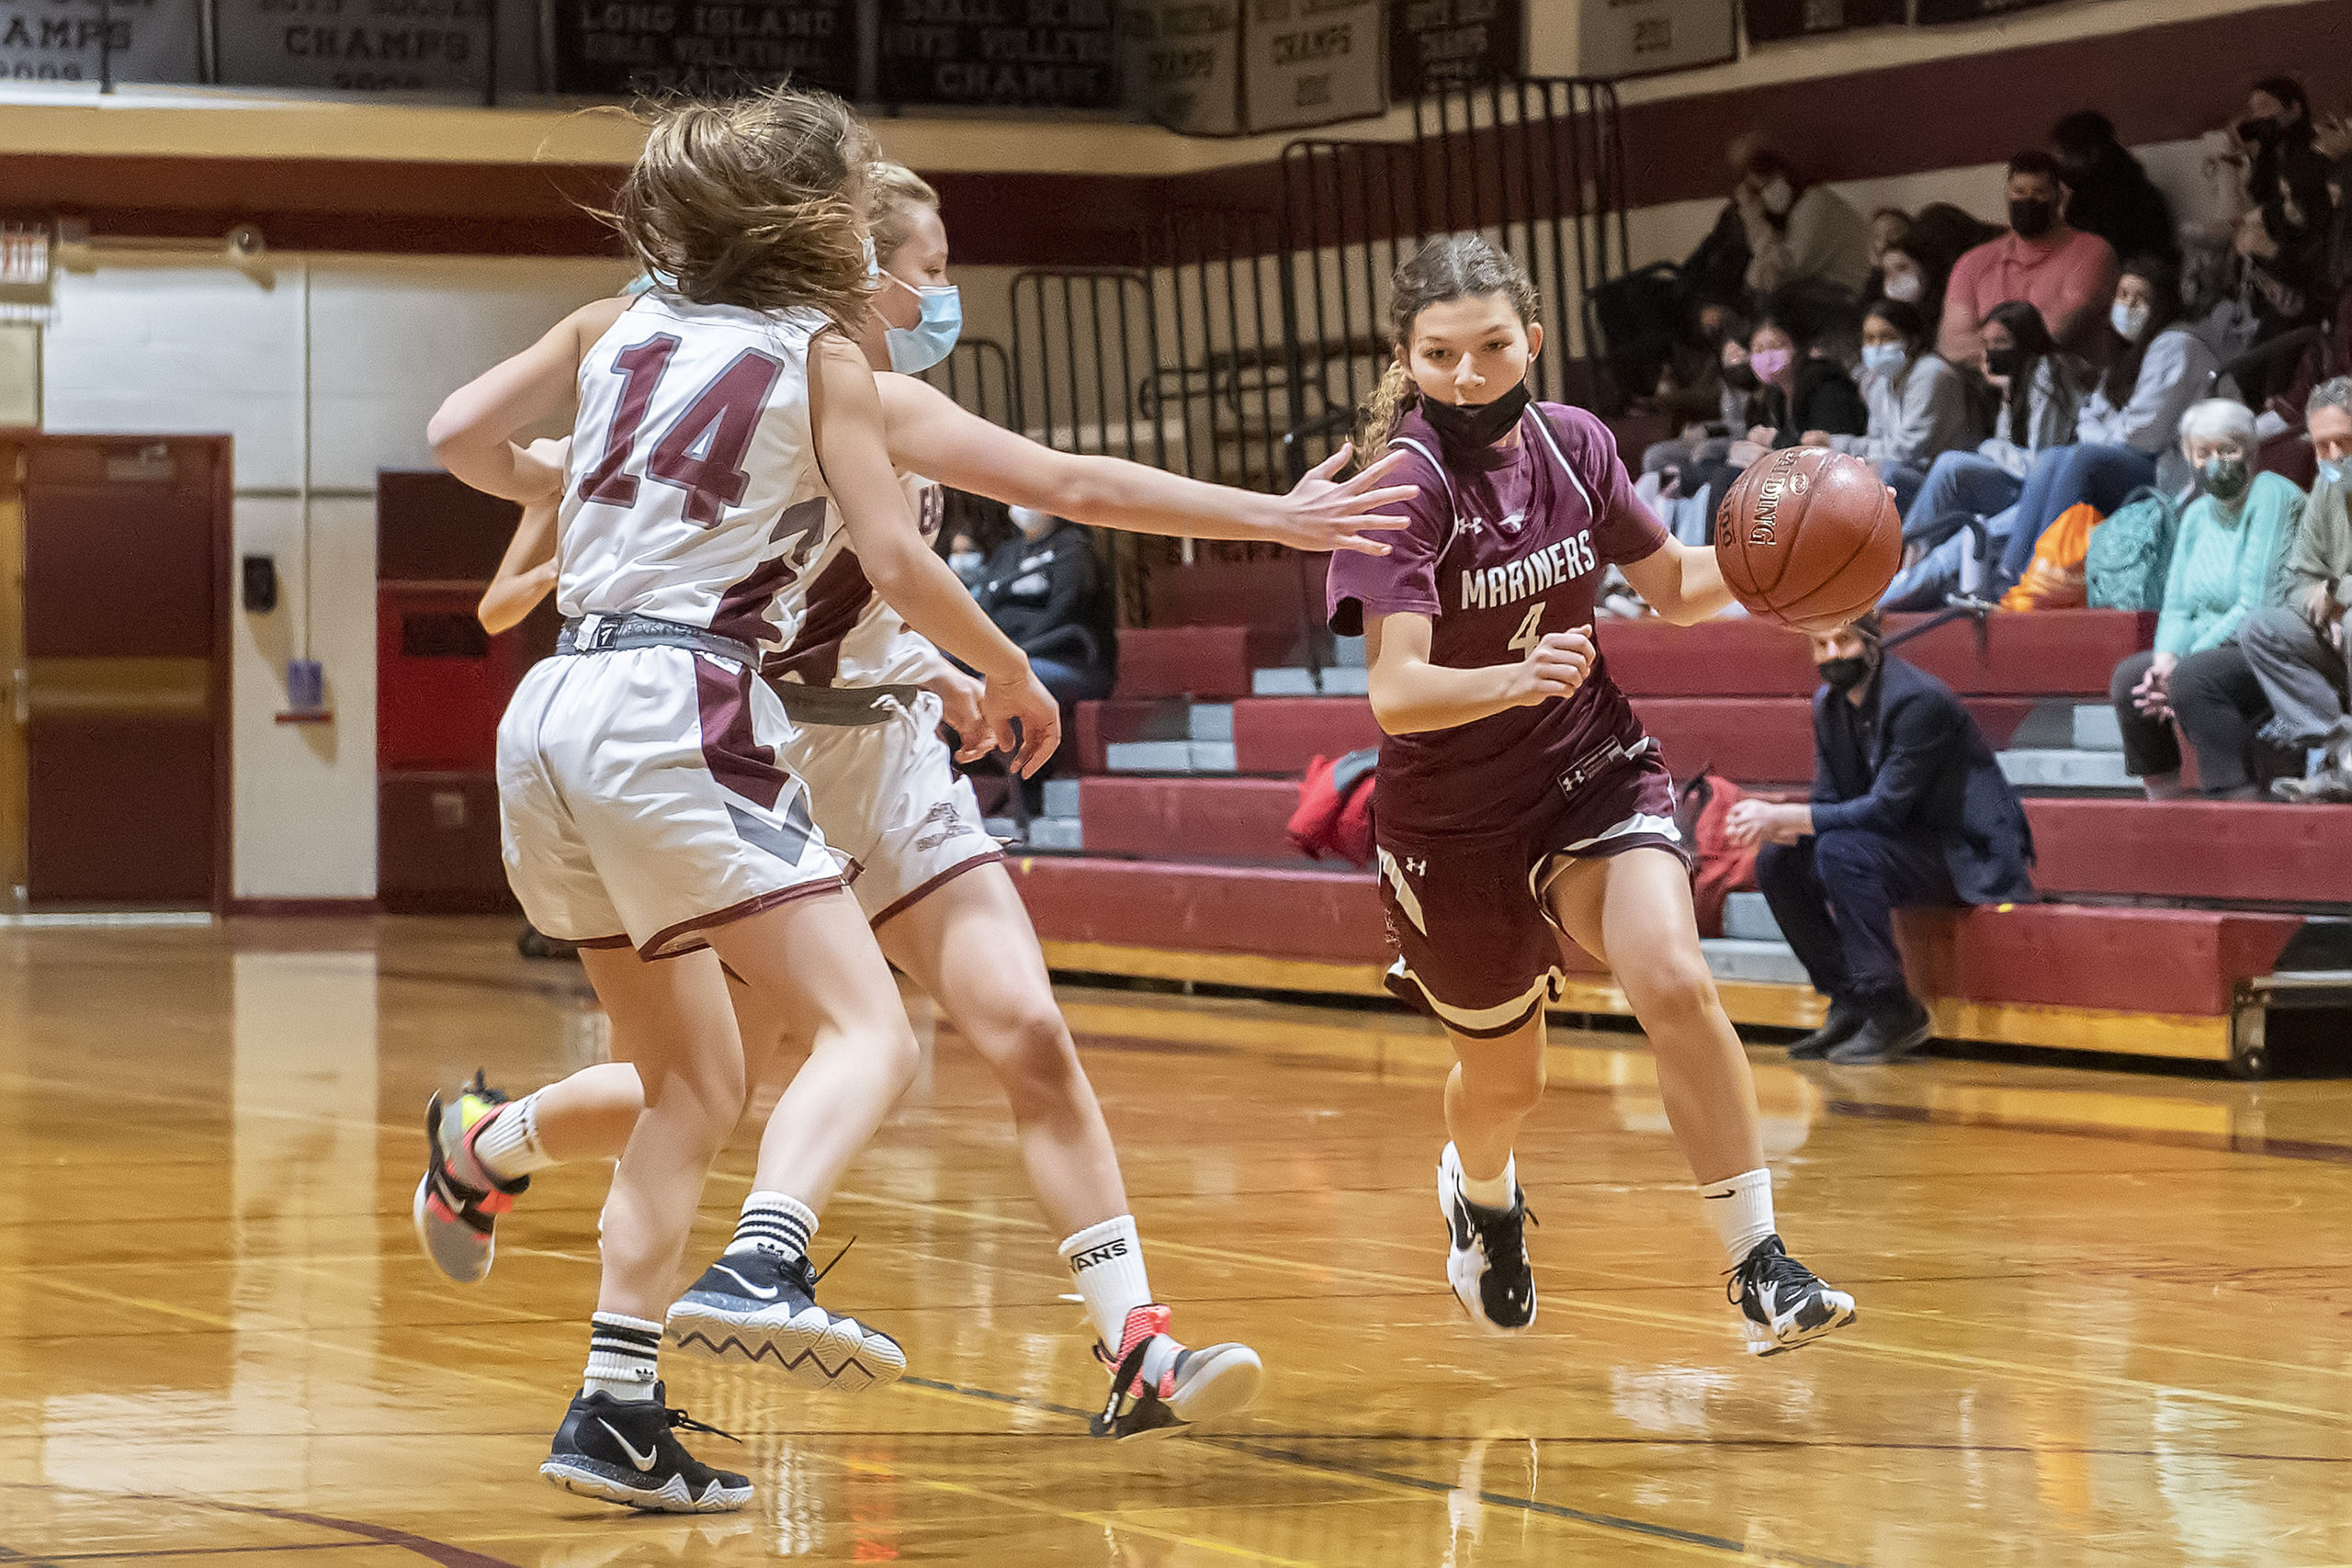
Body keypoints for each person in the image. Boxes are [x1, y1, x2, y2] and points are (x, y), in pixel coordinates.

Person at [422, 161, 1421, 1446]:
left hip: (885, 751)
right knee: (710, 1079)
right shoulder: (774, 377)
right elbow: (1064, 494)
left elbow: (1052, 490)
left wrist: (946, 669)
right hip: (737, 747)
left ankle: (1135, 1339)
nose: (941, 290)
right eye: (931, 266)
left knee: (1026, 1028)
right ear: (856, 258)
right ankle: (495, 1139)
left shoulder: (879, 392)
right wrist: (1267, 523)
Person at [419, 87, 1064, 1513]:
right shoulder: (820, 351)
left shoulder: (616, 325)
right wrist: (1004, 662)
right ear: (818, 224)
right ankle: (767, 1248)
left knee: (692, 1079)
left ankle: (613, 1403)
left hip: (550, 711)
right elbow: (892, 562)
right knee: (867, 1027)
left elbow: (456, 431)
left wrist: (579, 479)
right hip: (679, 696)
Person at [1331, 233, 1856, 1352]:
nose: (1467, 377)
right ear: (1405, 357)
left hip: (1589, 769)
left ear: (1531, 338)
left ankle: (1760, 1266)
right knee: (1503, 1082)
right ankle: (1480, 1199)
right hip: (1450, 824)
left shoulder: (1574, 447)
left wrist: (1803, 570)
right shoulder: (1401, 484)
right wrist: (1510, 675)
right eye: (1438, 356)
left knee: (1671, 975)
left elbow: (1671, 587)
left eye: (1488, 349)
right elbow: (1395, 693)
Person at [1733, 615, 2034, 1065]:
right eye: (1821, 646)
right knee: (1779, 858)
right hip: (1894, 845)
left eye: (1843, 641)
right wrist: (1782, 827)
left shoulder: (1918, 701)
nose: (1832, 655)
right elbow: (1831, 799)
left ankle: (1892, 1007)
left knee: (1839, 850)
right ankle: (1851, 998)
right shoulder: (1827, 705)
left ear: (1872, 643)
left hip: (1962, 852)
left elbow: (1886, 810)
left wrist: (1789, 815)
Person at [2109, 399, 2302, 801]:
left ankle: (2238, 804)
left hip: (2267, 644)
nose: (2216, 462)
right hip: (2206, 650)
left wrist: (2184, 662)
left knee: (2195, 678)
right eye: (2204, 453)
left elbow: (2256, 602)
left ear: (2252, 451)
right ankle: (2165, 803)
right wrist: (2165, 660)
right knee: (2131, 678)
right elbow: (2178, 604)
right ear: (2190, 458)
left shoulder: (2271, 495)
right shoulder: (2196, 515)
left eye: (2228, 449)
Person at [1989, 255, 2222, 589]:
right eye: (2122, 295)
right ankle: (2009, 575)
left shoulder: (2177, 346)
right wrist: (2109, 429)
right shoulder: (2128, 355)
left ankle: (2043, 577)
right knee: (2053, 457)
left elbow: (2143, 436)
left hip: (2173, 473)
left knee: (2082, 459)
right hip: (2137, 458)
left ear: (2162, 306)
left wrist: (2106, 430)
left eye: (2139, 299)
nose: (2127, 306)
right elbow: (2089, 417)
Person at [1882, 300, 2091, 610]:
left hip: (2042, 495)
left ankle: (1892, 594)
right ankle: (1902, 560)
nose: (1992, 352)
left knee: (1958, 510)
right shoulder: (2016, 381)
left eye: (2002, 343)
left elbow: (2040, 461)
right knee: (1948, 466)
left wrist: (1984, 446)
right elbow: (2006, 445)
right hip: (2018, 482)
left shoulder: (2046, 373)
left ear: (2026, 343)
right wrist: (2005, 401)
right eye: (1987, 344)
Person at [2249, 378, 2352, 800]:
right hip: (2338, 631)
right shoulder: (2328, 483)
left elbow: (2330, 587)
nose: (2332, 456)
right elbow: (2300, 577)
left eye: (2344, 442)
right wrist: (2318, 601)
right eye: (2321, 445)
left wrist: (2337, 596)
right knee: (2261, 628)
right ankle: (2343, 753)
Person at [1940, 152, 2120, 368]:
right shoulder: (1973, 262)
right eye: (2019, 191)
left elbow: (2056, 331)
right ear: (2008, 195)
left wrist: (1989, 347)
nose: (2028, 200)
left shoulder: (2091, 251)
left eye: (2039, 193)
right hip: (1987, 388)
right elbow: (1952, 345)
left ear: (2058, 197)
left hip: (2067, 386)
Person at [1810, 299, 1973, 512]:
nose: (1876, 346)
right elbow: (1877, 441)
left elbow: (1908, 450)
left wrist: (1840, 446)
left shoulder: (1931, 372)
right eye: (1869, 339)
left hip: (1940, 481)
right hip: (1905, 473)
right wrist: (1832, 445)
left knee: (1882, 474)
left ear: (1911, 340)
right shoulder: (1880, 384)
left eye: (1886, 337)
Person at [972, 505, 1120, 709]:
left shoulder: (1074, 550)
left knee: (1005, 685)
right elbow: (983, 608)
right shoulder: (1006, 553)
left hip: (1066, 661)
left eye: (1028, 500)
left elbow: (1065, 612)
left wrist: (1010, 656)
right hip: (1006, 659)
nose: (1021, 506)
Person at [1731, 141, 1873, 303]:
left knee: (1768, 302)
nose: (1765, 194)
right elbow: (1763, 274)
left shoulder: (1815, 203)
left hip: (1847, 291)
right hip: (1819, 288)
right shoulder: (1791, 210)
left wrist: (1753, 218)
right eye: (1758, 190)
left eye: (1768, 183)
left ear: (1782, 171)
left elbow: (1782, 271)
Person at [2051, 110, 2177, 263]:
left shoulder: (2090, 204)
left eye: (2062, 153)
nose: (2058, 161)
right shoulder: (2141, 189)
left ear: (2083, 154)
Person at [1747, 304, 1868, 450]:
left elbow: (1825, 447)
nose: (1767, 357)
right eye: (1758, 350)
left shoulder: (1827, 387)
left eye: (1776, 346)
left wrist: (1775, 440)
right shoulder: (1778, 396)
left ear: (1799, 348)